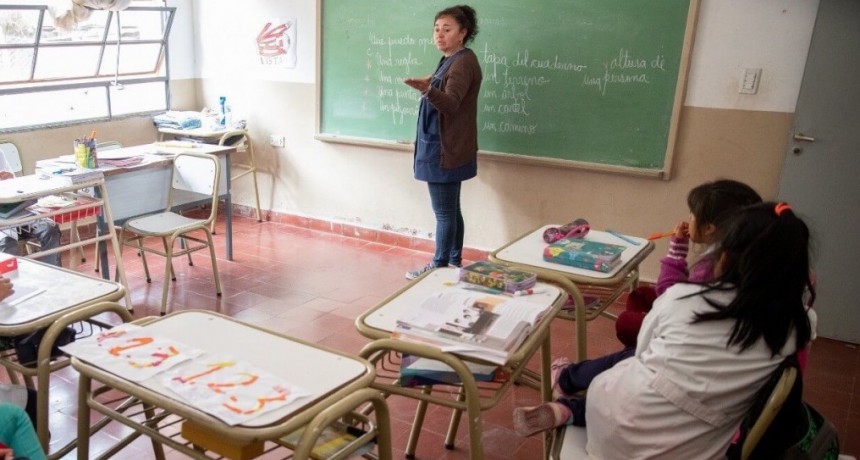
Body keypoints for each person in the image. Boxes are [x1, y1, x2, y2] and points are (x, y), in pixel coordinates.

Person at [513, 201, 814, 459]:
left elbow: (643, 354)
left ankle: (571, 407)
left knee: (622, 379)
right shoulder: (795, 328)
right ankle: (570, 408)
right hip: (694, 448)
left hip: (617, 432)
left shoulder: (686, 299)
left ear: (727, 256)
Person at [548, 179, 764, 408]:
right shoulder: (751, 258)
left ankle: (568, 380)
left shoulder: (710, 268)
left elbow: (671, 298)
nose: (688, 219)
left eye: (692, 214)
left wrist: (676, 252)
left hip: (684, 348)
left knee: (628, 339)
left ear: (710, 228)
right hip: (703, 339)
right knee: (640, 297)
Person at [404, 5, 482, 280]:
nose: (439, 35)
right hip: (447, 146)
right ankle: (453, 262)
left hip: (445, 150)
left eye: (447, 29)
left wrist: (426, 89)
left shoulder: (462, 62)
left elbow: (450, 105)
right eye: (437, 29)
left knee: (444, 212)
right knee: (451, 208)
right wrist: (431, 84)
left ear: (463, 33)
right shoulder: (453, 58)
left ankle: (438, 268)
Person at [0, 169, 61, 267]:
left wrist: (11, 179)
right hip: (3, 223)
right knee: (7, 242)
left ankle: (53, 274)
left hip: (22, 213)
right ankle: (11, 280)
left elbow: (18, 188)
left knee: (50, 229)